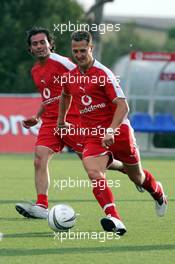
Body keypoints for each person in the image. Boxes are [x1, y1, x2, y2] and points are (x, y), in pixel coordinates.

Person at [15, 27, 143, 220]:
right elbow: (48, 97)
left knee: (93, 162)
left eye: (43, 42)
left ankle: (132, 172)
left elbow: (83, 78)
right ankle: (42, 204)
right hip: (53, 122)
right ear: (30, 49)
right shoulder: (35, 70)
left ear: (51, 44)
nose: (40, 46)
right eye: (35, 44)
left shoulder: (63, 63)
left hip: (75, 121)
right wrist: (38, 116)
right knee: (39, 157)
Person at [57, 30, 167, 236]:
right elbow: (64, 95)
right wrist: (61, 121)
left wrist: (110, 130)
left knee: (137, 177)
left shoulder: (103, 74)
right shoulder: (70, 76)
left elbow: (123, 106)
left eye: (83, 50)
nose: (79, 55)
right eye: (75, 51)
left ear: (91, 48)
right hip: (92, 136)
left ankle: (158, 192)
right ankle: (114, 217)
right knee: (93, 173)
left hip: (118, 132)